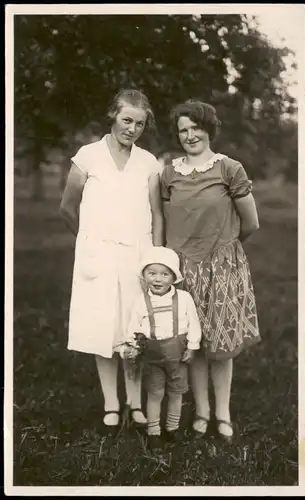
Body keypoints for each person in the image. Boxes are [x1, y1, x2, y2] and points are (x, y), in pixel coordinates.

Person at [60, 89, 164, 435]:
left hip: (137, 254)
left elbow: (156, 214)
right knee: (103, 327)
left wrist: (156, 258)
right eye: (126, 120)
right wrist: (89, 239)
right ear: (113, 116)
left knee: (132, 328)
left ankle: (134, 402)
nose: (132, 129)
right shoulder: (88, 157)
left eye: (140, 123)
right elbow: (67, 207)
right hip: (99, 254)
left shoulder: (148, 162)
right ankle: (111, 404)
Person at [160, 99, 261, 443]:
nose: (189, 136)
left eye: (195, 128)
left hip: (221, 266)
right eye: (182, 130)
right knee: (195, 343)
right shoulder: (169, 173)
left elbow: (251, 222)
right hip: (183, 270)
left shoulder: (229, 169)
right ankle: (201, 411)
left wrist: (226, 248)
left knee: (222, 344)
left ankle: (223, 413)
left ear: (209, 129)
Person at [119, 246, 201, 451]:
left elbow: (194, 324)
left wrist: (192, 347)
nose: (157, 279)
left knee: (176, 392)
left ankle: (172, 428)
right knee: (155, 393)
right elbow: (133, 329)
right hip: (153, 357)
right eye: (152, 273)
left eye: (164, 274)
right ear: (144, 275)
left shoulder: (184, 299)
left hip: (178, 355)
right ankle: (153, 431)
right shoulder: (141, 302)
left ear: (174, 277)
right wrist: (133, 346)